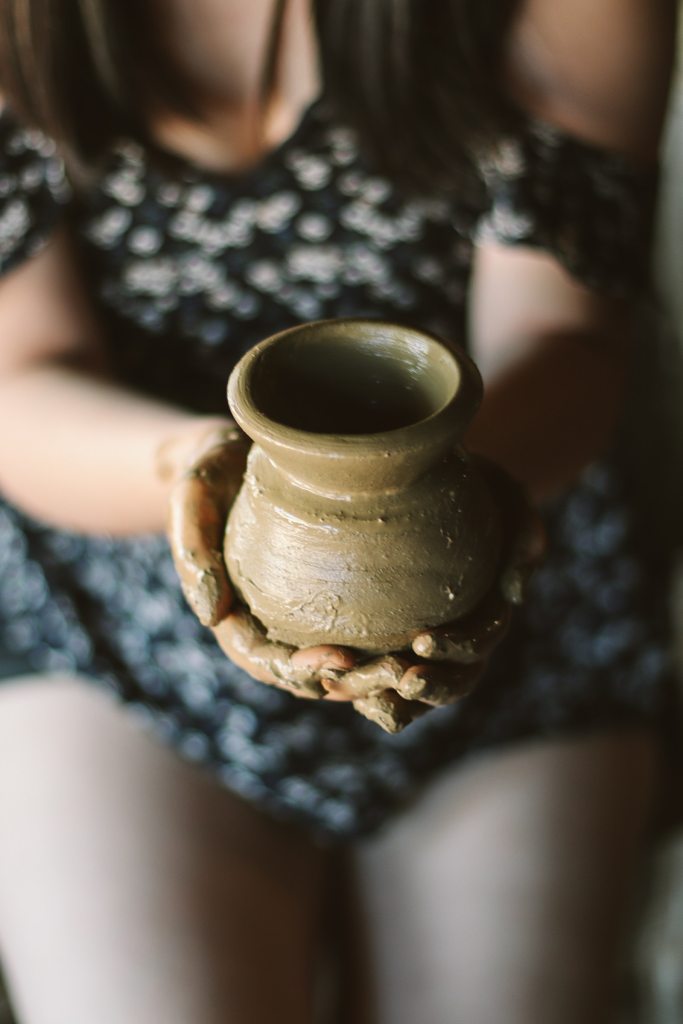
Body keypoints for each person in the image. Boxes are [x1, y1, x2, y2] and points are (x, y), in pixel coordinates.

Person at [0, 0, 676, 1021]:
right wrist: (207, 476)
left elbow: (565, 338)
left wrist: (428, 493)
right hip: (115, 606)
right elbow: (23, 371)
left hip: (502, 575)